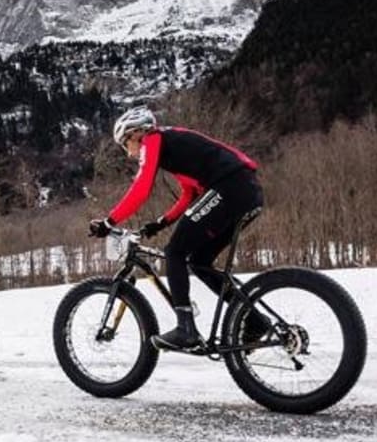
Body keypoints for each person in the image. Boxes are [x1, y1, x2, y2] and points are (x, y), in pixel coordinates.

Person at [89, 106, 267, 352]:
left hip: (230, 187)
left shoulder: (153, 140)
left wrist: (109, 222)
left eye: (125, 144)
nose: (128, 153)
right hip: (247, 192)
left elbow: (141, 187)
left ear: (136, 134)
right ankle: (255, 322)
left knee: (174, 252)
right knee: (199, 262)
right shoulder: (172, 146)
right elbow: (189, 193)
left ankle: (186, 329)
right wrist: (160, 223)